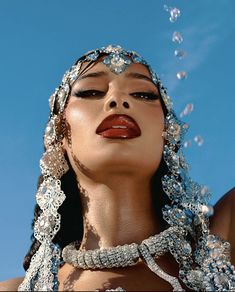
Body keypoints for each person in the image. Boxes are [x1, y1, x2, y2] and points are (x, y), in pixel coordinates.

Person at [0, 45, 234, 291]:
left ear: (167, 133)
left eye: (143, 94)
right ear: (59, 135)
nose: (117, 100)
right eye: (91, 92)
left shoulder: (219, 250)